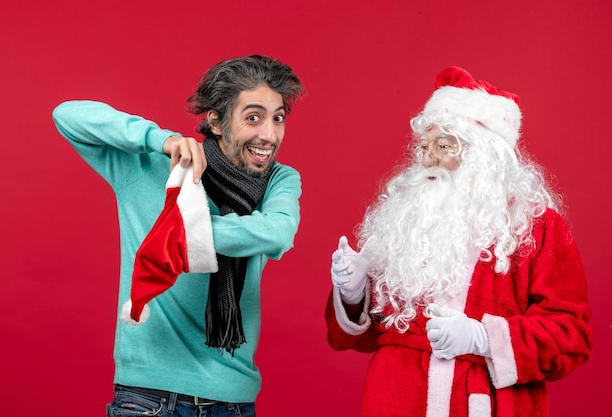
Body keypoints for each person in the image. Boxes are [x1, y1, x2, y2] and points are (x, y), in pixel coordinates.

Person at [325, 66, 593, 417]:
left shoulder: (534, 225)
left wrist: (482, 338)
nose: (428, 157)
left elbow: (570, 335)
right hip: (395, 400)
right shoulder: (404, 220)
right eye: (424, 146)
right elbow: (359, 338)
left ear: (484, 155)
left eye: (444, 145)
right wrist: (354, 293)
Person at [52, 55, 305, 417]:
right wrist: (159, 139)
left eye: (277, 118)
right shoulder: (152, 167)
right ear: (216, 122)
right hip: (146, 397)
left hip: (232, 400)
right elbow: (67, 116)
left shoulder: (278, 179)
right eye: (253, 117)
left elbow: (277, 232)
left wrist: (179, 230)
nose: (269, 134)